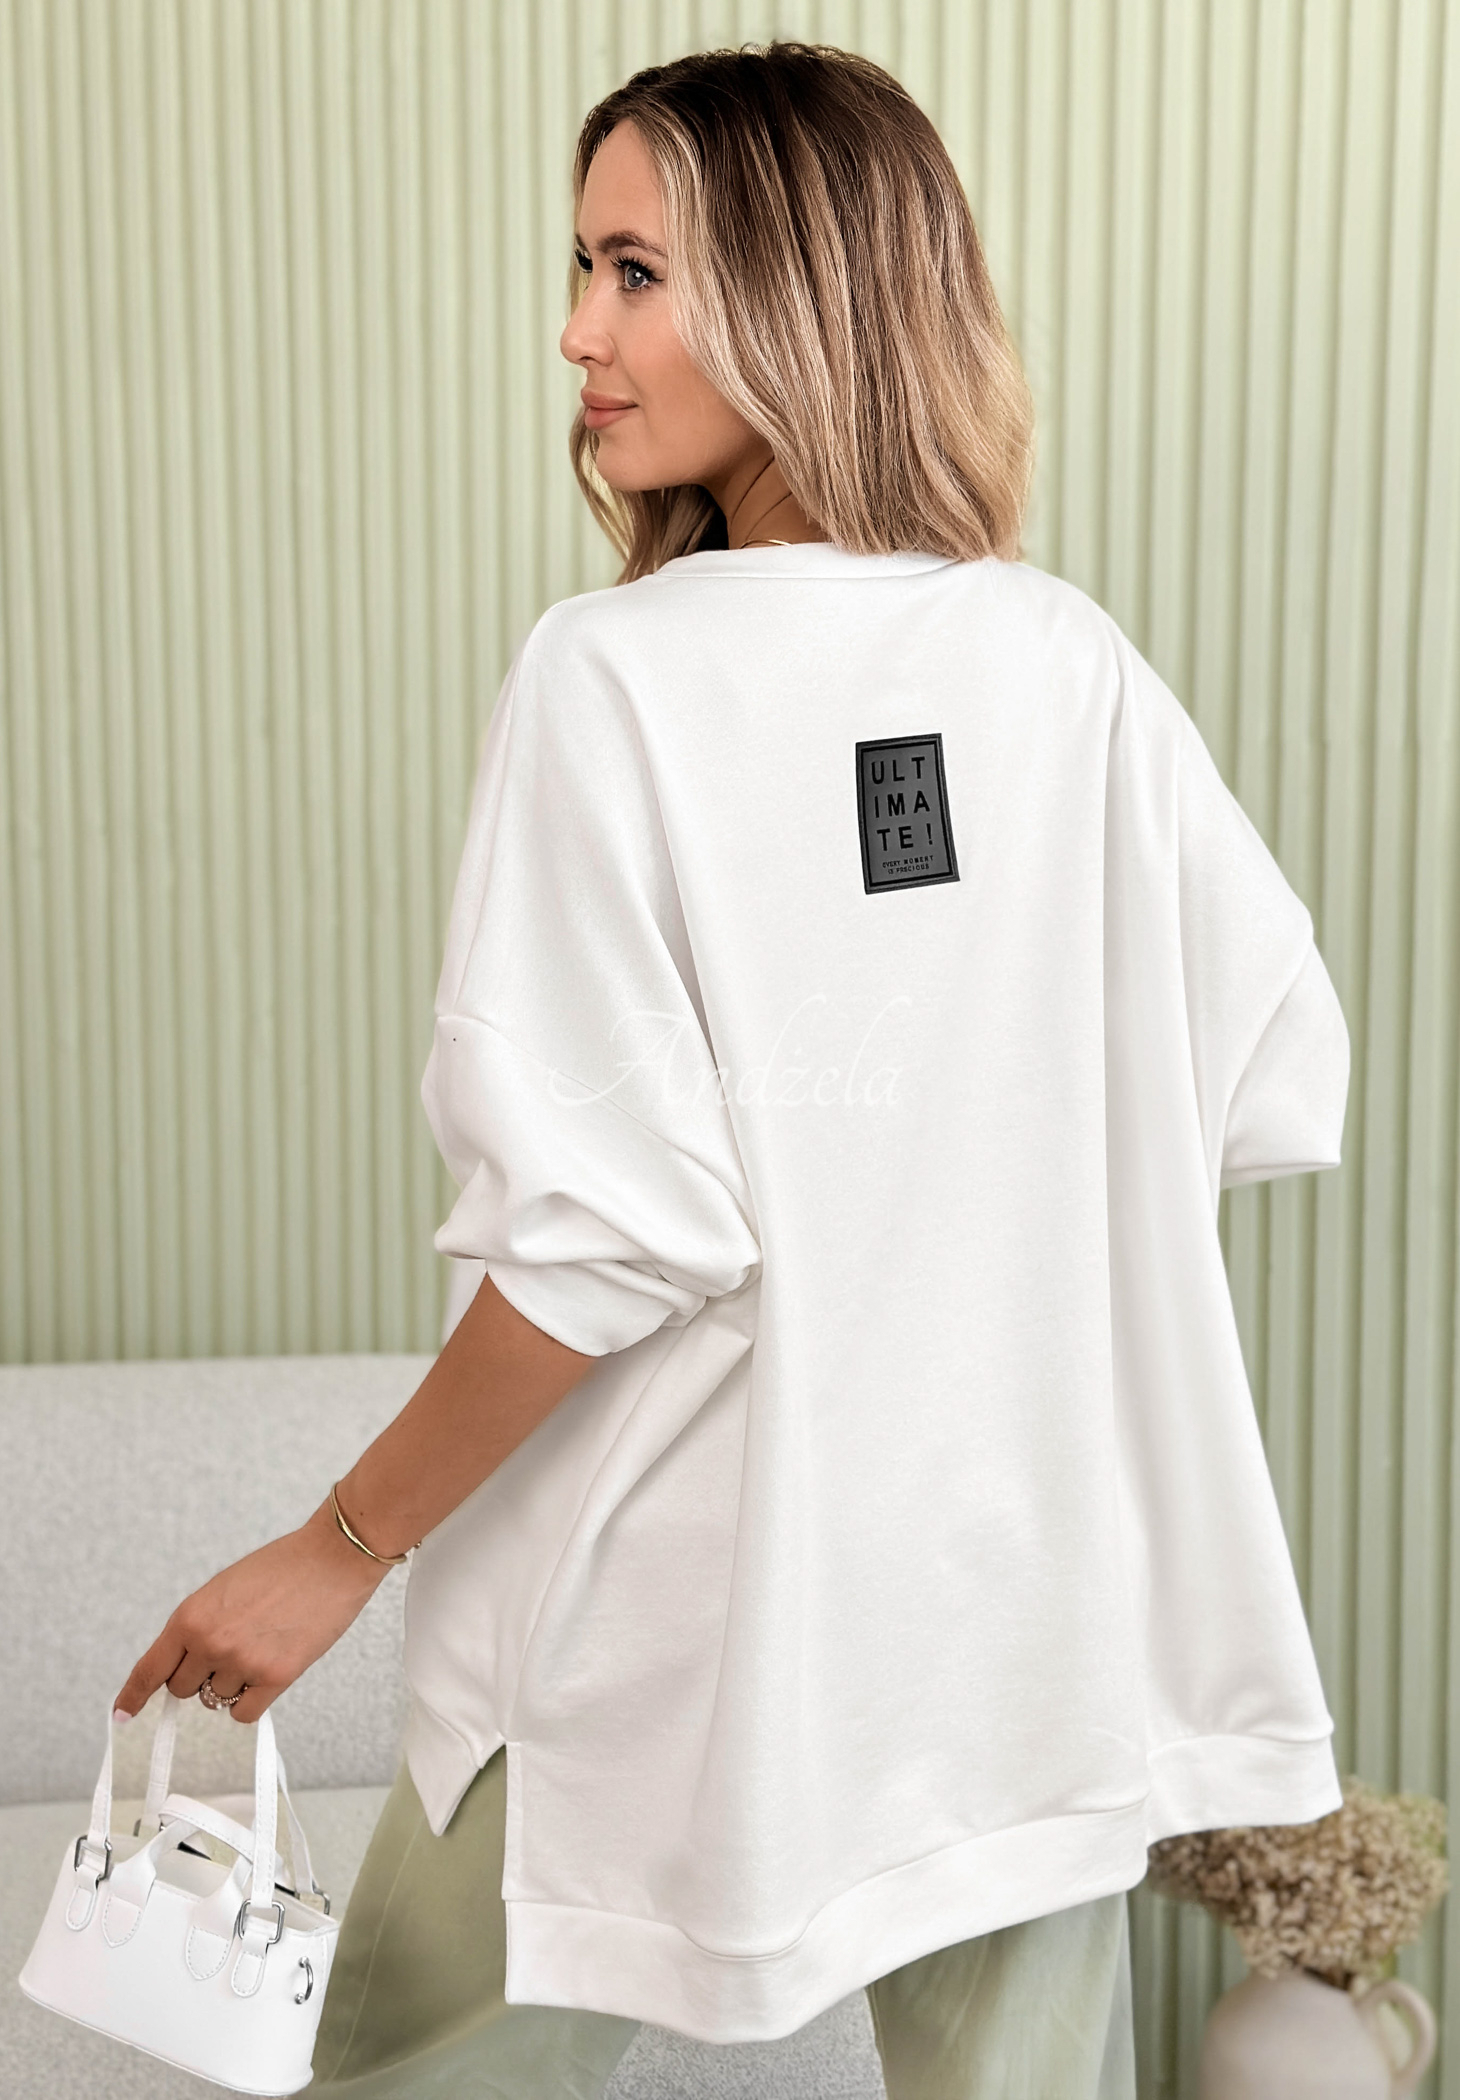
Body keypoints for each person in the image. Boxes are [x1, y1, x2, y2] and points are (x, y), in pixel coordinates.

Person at [113, 41, 1350, 2100]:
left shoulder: (610, 672)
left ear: (802, 290)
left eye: (634, 271)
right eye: (582, 267)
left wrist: (334, 1547)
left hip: (660, 1610)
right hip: (1020, 1613)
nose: (577, 334)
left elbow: (606, 1233)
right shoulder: (1067, 665)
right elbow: (1271, 1071)